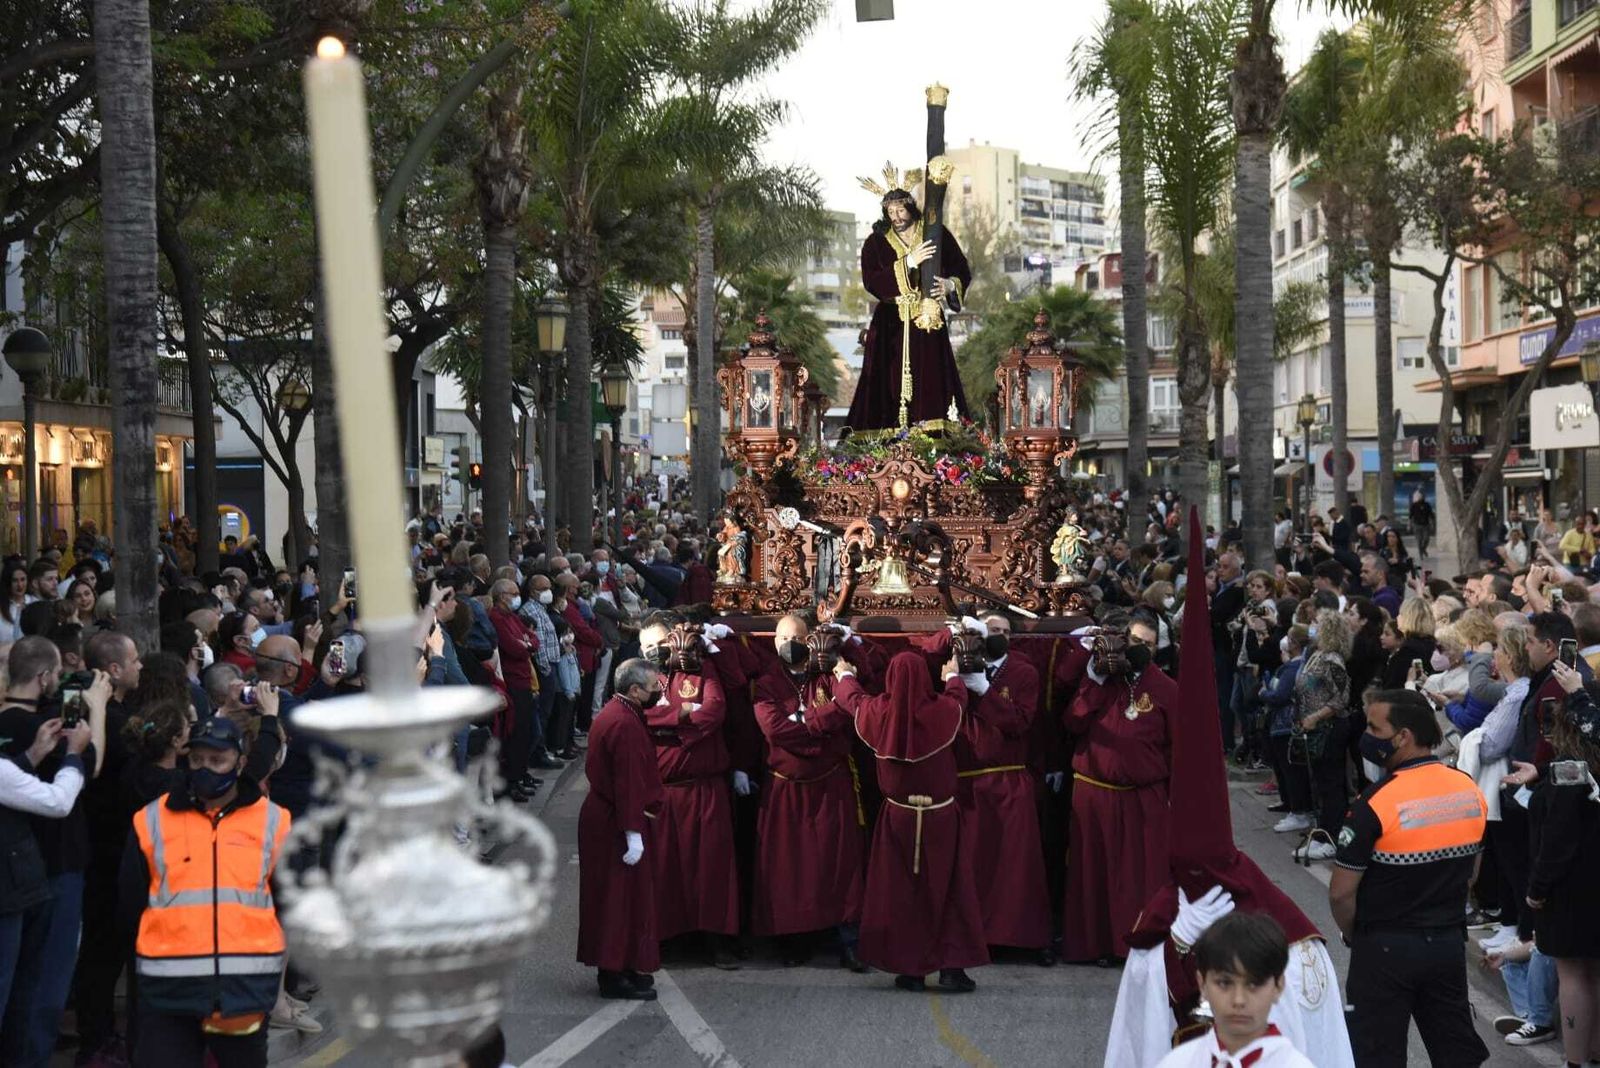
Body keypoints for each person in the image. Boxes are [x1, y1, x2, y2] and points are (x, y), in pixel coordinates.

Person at [1329, 689, 1489, 1068]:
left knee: (1376, 1053)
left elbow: (1340, 894)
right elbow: (1472, 872)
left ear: (1402, 737)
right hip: (1447, 944)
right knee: (1454, 1050)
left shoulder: (1374, 803)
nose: (1366, 734)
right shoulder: (1469, 789)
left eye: (1374, 727)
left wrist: (1356, 934)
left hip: (1384, 949)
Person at [121, 715, 291, 1067]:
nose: (206, 769)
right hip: (168, 996)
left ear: (241, 763)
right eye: (197, 759)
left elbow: (289, 904)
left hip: (242, 993)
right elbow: (130, 902)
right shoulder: (150, 819)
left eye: (218, 760)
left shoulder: (274, 821)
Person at [834, 651, 987, 992]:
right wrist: (951, 676)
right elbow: (957, 699)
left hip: (899, 816)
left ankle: (912, 969)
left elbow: (852, 700)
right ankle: (951, 969)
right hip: (941, 816)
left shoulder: (877, 711)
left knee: (903, 893)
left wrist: (844, 673)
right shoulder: (943, 710)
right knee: (949, 891)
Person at [750, 615, 881, 969]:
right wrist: (823, 721)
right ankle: (793, 940)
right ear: (775, 642)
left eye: (799, 637)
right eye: (785, 638)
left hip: (831, 781)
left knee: (840, 864)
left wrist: (847, 642)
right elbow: (776, 730)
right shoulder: (765, 683)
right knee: (789, 867)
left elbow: (859, 693)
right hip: (787, 787)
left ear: (810, 640)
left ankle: (849, 941)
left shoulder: (827, 673)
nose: (791, 644)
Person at [1060, 609, 1178, 963]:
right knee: (1093, 873)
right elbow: (1073, 722)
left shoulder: (1167, 689)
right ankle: (1094, 945)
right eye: (1136, 640)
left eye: (1150, 644)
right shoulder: (1101, 678)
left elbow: (1177, 748)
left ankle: (1131, 944)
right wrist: (1094, 678)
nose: (1142, 648)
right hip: (1094, 792)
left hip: (1143, 798)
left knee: (1137, 878)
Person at [636, 618, 739, 966]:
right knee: (664, 869)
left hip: (703, 789)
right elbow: (639, 715)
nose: (656, 651)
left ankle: (716, 941)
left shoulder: (701, 669)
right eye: (648, 646)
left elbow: (714, 712)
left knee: (710, 868)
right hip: (662, 794)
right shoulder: (641, 677)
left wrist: (668, 722)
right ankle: (666, 940)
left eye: (661, 642)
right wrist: (681, 715)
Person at [844, 173, 972, 430]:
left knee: (933, 381)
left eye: (900, 209)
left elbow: (961, 270)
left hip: (927, 320)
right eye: (890, 211)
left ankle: (935, 439)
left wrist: (949, 286)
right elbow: (872, 281)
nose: (896, 217)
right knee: (883, 386)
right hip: (890, 324)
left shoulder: (935, 234)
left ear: (910, 207)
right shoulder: (875, 243)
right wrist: (909, 262)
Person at [576, 658, 665, 1000]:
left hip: (610, 815)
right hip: (614, 820)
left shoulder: (619, 712)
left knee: (625, 898)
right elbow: (627, 781)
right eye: (653, 687)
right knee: (615, 900)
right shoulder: (624, 724)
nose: (659, 692)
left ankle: (624, 965)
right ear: (634, 690)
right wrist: (633, 832)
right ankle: (612, 974)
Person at [1524, 670, 1600, 1061]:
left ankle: (1576, 1058)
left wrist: (1537, 890)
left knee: (1573, 972)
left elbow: (1557, 841)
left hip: (1571, 886)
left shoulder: (1570, 769)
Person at [1151, 914, 1317, 1068]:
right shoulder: (1177, 1062)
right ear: (1202, 984)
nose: (1238, 1000)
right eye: (1224, 983)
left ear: (1279, 986)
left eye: (1254, 984)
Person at [1290, 609, 1353, 861]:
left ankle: (1333, 836)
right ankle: (1321, 832)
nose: (1312, 626)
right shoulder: (1317, 655)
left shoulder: (1333, 660)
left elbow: (1341, 698)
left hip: (1329, 728)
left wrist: (1315, 717)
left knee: (1331, 784)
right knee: (1320, 783)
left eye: (1317, 623)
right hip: (1312, 727)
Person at [1409, 491, 1434, 559]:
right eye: (1419, 496)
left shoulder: (1427, 505)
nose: (1420, 497)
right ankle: (1420, 553)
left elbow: (1431, 514)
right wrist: (1409, 525)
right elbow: (1410, 516)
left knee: (1426, 539)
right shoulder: (1414, 505)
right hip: (1417, 525)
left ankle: (1423, 549)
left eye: (1421, 496)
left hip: (1426, 525)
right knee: (1419, 540)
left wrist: (1432, 523)